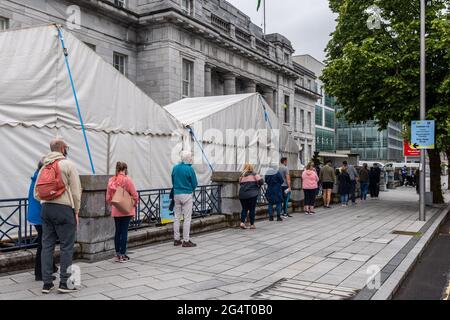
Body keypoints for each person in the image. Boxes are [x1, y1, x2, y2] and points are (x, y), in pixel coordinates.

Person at [35, 139, 82, 294]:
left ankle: (47, 284)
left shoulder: (44, 166)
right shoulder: (68, 165)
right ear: (62, 149)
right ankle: (65, 283)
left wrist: (48, 199)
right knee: (66, 247)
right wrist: (76, 211)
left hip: (46, 209)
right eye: (66, 148)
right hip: (64, 209)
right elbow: (76, 191)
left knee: (46, 246)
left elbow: (37, 193)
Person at [27, 159, 58, 281]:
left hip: (35, 215)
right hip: (40, 217)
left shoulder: (35, 178)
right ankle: (40, 273)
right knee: (44, 245)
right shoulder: (41, 180)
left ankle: (51, 266)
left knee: (45, 243)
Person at [106, 162, 138, 263]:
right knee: (124, 232)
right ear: (125, 169)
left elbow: (108, 197)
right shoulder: (127, 180)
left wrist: (114, 203)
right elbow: (135, 195)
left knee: (117, 231)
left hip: (116, 209)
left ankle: (117, 253)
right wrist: (134, 203)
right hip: (126, 210)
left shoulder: (111, 180)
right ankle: (122, 254)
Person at [172, 151, 198, 248]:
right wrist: (190, 188)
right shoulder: (189, 169)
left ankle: (176, 239)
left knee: (176, 217)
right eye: (191, 157)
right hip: (187, 193)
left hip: (176, 193)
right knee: (187, 218)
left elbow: (173, 180)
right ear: (188, 158)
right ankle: (186, 240)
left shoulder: (175, 168)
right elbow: (195, 183)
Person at [238, 164, 264, 230]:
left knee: (244, 208)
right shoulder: (254, 174)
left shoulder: (242, 175)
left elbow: (240, 183)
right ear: (251, 168)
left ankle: (242, 222)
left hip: (242, 194)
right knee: (252, 209)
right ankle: (252, 224)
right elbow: (261, 181)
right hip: (252, 194)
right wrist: (257, 184)